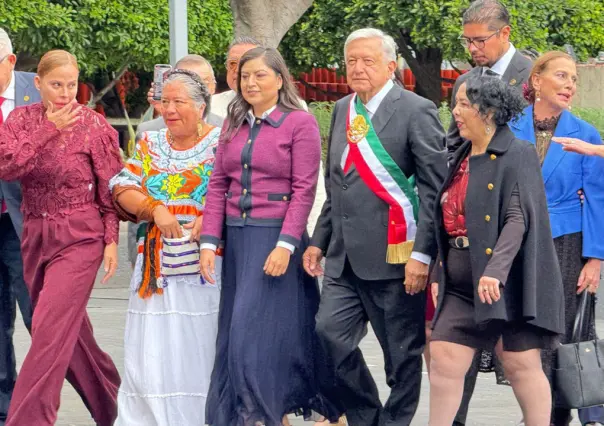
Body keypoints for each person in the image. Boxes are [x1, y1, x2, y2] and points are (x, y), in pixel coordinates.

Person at [304, 28, 447, 426]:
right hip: (344, 257)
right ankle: (367, 415)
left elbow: (435, 190)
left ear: (390, 66)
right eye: (351, 61)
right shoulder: (342, 109)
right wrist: (320, 240)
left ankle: (395, 421)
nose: (358, 68)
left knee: (401, 356)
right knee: (328, 336)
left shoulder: (416, 110)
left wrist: (423, 255)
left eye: (368, 61)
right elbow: (338, 185)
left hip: (397, 256)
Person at [200, 47, 341, 426]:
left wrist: (286, 244)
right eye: (245, 76)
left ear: (280, 80)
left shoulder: (299, 123)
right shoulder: (232, 123)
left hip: (276, 242)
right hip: (238, 241)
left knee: (255, 338)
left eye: (260, 74)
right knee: (234, 335)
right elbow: (217, 186)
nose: (251, 82)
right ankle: (251, 414)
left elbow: (304, 189)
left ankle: (261, 414)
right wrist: (209, 243)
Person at [429, 76, 564, 426]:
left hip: (505, 281)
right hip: (460, 279)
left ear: (487, 110)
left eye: (463, 104)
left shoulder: (517, 153)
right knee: (443, 356)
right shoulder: (457, 152)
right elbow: (442, 220)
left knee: (521, 364)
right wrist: (435, 272)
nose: (455, 111)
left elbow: (518, 217)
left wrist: (496, 270)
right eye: (455, 103)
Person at [0, 49, 121, 426]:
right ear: (37, 84)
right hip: (34, 234)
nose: (66, 93)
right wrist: (48, 127)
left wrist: (112, 239)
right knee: (69, 336)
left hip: (81, 235)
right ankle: (117, 410)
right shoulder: (21, 120)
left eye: (71, 85)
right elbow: (8, 166)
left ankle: (28, 421)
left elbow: (110, 187)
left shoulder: (94, 125)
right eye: (56, 85)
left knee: (49, 329)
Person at [110, 69, 221, 426]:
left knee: (198, 348)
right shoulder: (150, 143)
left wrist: (211, 217)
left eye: (179, 102)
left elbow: (235, 190)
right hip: (155, 268)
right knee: (152, 353)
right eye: (164, 102)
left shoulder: (222, 143)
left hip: (203, 267)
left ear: (201, 107)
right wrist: (153, 209)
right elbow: (122, 185)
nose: (169, 110)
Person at [509, 51, 604, 426]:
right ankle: (539, 410)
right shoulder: (507, 127)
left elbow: (596, 200)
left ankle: (566, 413)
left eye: (574, 80)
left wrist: (595, 258)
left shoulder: (586, 135)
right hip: (516, 242)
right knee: (526, 331)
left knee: (566, 329)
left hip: (566, 242)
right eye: (562, 76)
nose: (570, 85)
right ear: (536, 82)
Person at [129, 55, 223, 269]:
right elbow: (131, 186)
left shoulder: (228, 131)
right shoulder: (150, 134)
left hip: (208, 254)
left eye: (201, 82)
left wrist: (210, 220)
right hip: (156, 254)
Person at [0, 28, 37, 424]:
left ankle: (40, 401)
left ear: (10, 62)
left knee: (38, 316)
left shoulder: (40, 91)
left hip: (27, 223)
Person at [447, 0, 532, 155]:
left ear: (505, 33)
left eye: (480, 41)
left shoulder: (534, 78)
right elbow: (454, 147)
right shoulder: (463, 83)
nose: (472, 48)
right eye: (467, 41)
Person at [211, 36, 262, 119]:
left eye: (245, 63)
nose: (237, 70)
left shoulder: (279, 108)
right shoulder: (210, 105)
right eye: (233, 63)